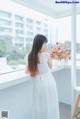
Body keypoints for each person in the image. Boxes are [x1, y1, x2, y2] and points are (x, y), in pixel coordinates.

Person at [25, 34, 60, 119]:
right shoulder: (45, 55)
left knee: (39, 104)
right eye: (44, 44)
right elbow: (51, 66)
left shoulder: (29, 56)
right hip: (48, 81)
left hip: (37, 81)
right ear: (40, 44)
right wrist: (49, 54)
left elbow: (28, 70)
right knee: (50, 102)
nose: (45, 45)